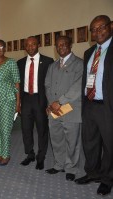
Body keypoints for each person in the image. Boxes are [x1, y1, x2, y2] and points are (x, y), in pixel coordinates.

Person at [75, 15, 113, 196]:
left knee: (109, 144)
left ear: (110, 26)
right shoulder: (89, 53)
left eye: (101, 27)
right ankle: (92, 172)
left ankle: (107, 179)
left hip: (107, 106)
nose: (97, 32)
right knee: (89, 141)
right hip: (89, 104)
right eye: (94, 29)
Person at [44, 36, 83, 182]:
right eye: (58, 45)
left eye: (64, 44)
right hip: (54, 110)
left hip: (70, 108)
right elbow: (47, 85)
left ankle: (71, 167)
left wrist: (60, 102)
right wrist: (51, 104)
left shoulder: (79, 64)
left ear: (70, 45)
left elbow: (77, 88)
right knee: (57, 138)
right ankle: (59, 164)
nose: (61, 47)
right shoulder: (52, 66)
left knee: (72, 140)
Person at [17, 36, 53, 170]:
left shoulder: (48, 61)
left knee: (42, 129)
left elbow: (51, 84)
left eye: (33, 44)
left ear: (38, 45)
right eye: (27, 45)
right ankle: (30, 154)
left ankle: (41, 157)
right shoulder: (20, 63)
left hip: (41, 99)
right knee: (26, 129)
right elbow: (18, 85)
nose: (30, 47)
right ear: (24, 47)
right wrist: (18, 102)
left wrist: (49, 103)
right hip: (26, 99)